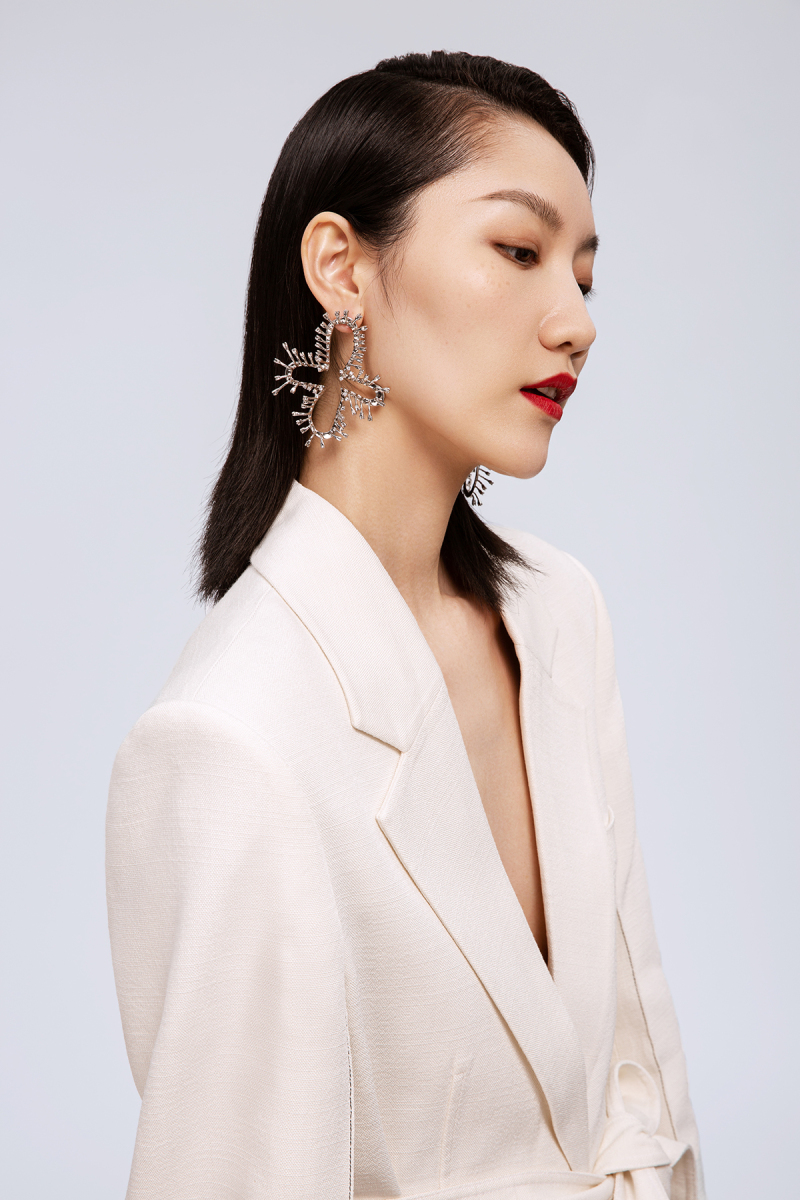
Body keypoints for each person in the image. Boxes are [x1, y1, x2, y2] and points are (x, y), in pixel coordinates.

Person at [107, 50, 704, 1200]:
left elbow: (644, 1093)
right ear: (341, 265)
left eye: (583, 275)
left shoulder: (558, 617)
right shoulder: (230, 739)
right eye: (518, 251)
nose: (575, 322)